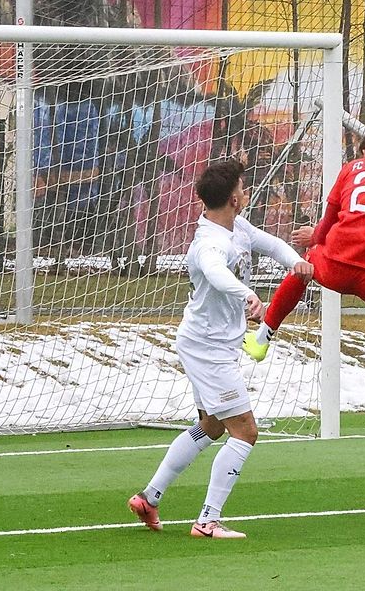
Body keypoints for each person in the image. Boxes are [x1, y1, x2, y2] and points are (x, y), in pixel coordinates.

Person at [127, 159, 313, 539]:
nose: (246, 193)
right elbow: (215, 272)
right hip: (208, 348)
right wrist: (248, 295)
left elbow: (273, 243)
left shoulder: (236, 227)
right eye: (243, 188)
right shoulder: (208, 243)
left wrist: (298, 263)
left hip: (209, 344)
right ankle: (208, 521)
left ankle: (149, 497)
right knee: (245, 431)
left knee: (210, 426)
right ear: (233, 198)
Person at [243, 128, 365, 472]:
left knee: (302, 267)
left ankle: (263, 337)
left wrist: (315, 239)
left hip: (338, 263)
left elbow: (329, 222)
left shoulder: (352, 168)